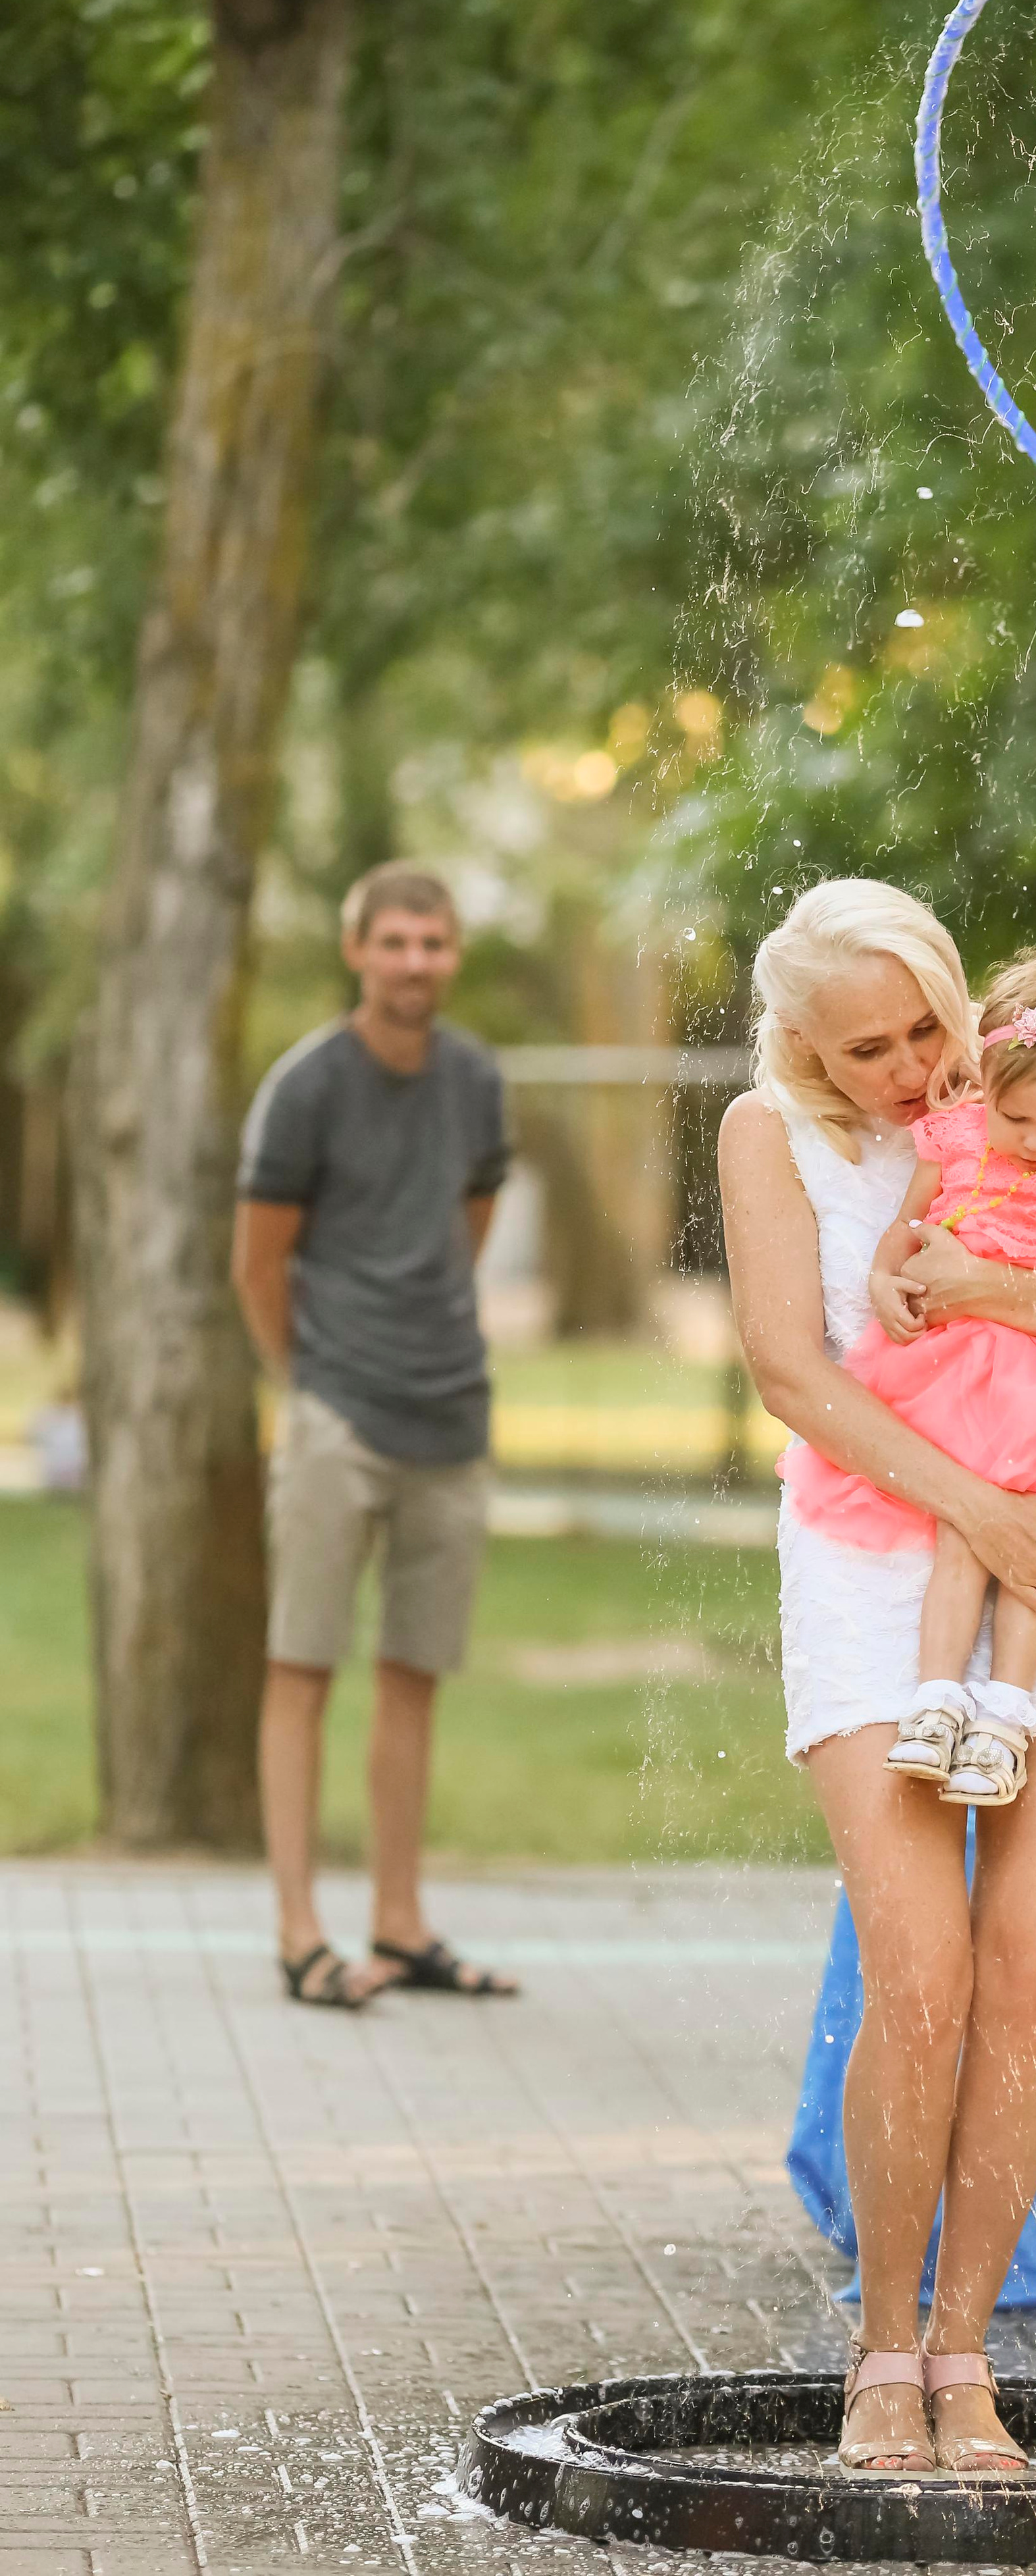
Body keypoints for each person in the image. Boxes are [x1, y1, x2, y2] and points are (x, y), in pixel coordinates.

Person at [719, 880, 1036, 2475]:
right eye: (864, 1046)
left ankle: (963, 2354)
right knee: (918, 1966)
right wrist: (972, 1507)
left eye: (925, 1022)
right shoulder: (768, 1134)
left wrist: (1001, 1296)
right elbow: (790, 1368)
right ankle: (880, 2347)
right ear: (800, 1042)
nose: (908, 1064)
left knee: (1024, 1968)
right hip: (887, 1563)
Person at [782, 953, 1036, 1808]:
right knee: (966, 1535)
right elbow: (905, 1226)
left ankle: (1004, 1714)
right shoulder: (958, 1136)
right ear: (987, 1083)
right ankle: (935, 1702)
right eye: (1018, 1119)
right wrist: (886, 1282)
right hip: (962, 1380)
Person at [232, 862, 519, 2012]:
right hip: (336, 1417)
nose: (414, 962)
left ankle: (399, 1927)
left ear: (453, 955)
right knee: (301, 1665)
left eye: (433, 943)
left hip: (452, 1414)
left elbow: (469, 1226)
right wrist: (309, 1385)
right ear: (356, 951)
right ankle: (302, 1934)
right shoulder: (305, 1088)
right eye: (394, 942)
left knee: (416, 1675)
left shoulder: (477, 1079)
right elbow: (258, 1262)